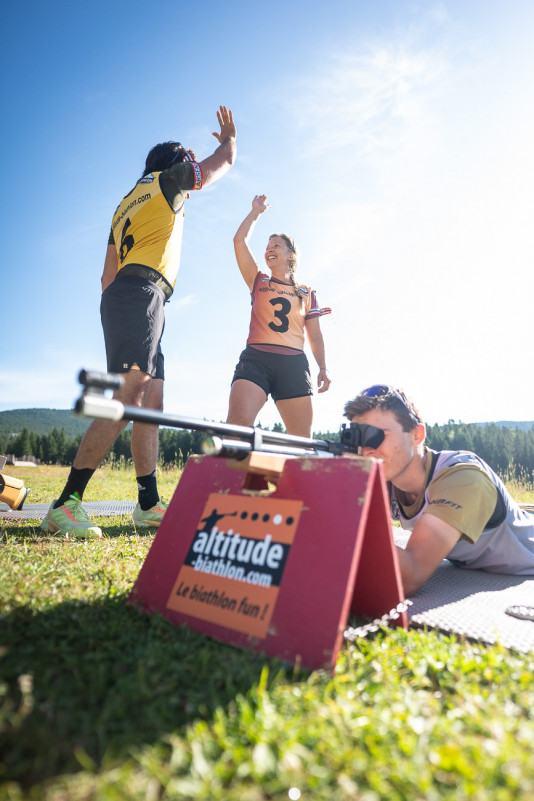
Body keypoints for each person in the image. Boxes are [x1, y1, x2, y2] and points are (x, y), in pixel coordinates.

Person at [41, 106, 237, 539]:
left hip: (130, 295)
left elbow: (106, 276)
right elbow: (215, 167)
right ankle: (66, 503)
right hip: (141, 295)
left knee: (152, 402)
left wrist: (123, 310)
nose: (189, 161)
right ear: (172, 163)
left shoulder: (123, 205)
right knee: (131, 394)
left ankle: (147, 504)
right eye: (184, 155)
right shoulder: (170, 181)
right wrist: (229, 145)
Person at [343, 385, 534, 596]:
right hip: (476, 572)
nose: (366, 449)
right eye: (359, 438)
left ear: (417, 435)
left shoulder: (463, 478)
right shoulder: (387, 477)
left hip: (525, 570)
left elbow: (408, 578)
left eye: (376, 435)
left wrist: (336, 512)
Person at [226, 194, 331, 437]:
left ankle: (292, 475)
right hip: (256, 360)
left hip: (293, 364)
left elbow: (314, 335)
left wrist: (323, 367)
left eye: (276, 246)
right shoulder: (258, 280)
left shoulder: (306, 292)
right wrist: (255, 212)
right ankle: (228, 474)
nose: (269, 249)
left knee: (301, 440)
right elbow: (238, 240)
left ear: (290, 256)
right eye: (268, 246)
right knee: (236, 426)